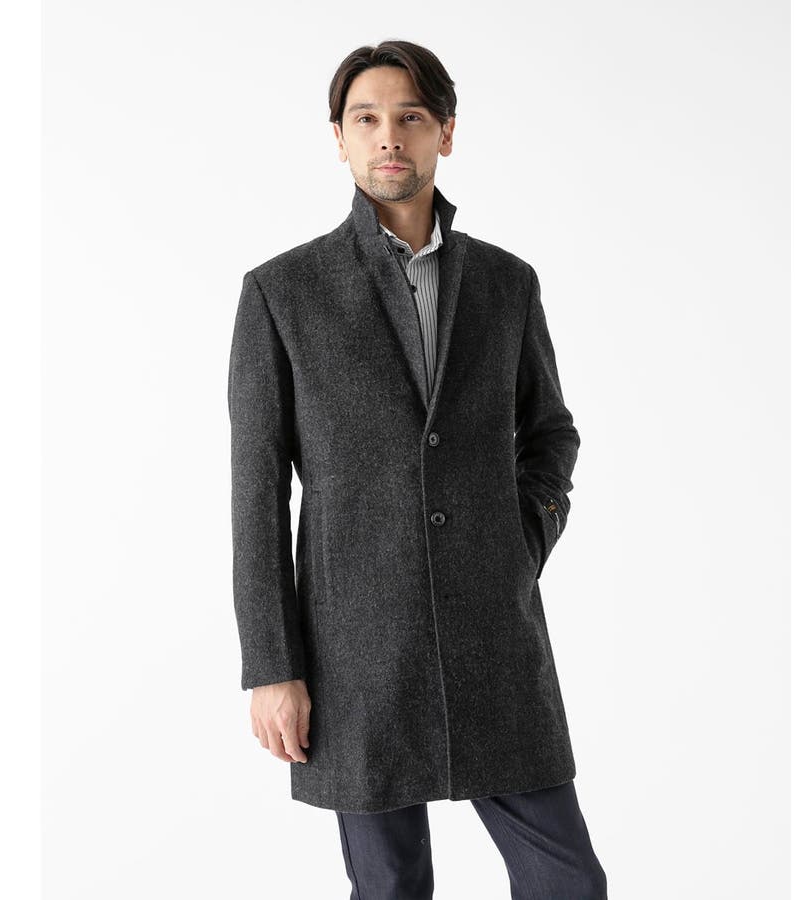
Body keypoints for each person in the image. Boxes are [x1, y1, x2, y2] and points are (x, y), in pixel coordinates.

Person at [227, 39, 608, 899]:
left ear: (446, 132)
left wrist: (521, 540)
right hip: (354, 651)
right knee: (390, 888)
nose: (389, 136)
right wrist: (271, 665)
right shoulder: (283, 292)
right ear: (339, 138)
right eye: (366, 119)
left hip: (495, 635)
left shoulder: (507, 284)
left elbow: (550, 433)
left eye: (410, 117)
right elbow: (257, 492)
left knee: (568, 880)